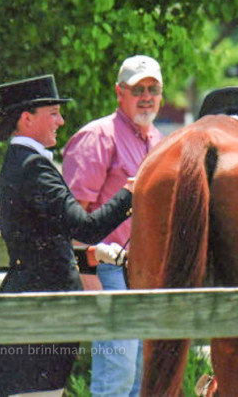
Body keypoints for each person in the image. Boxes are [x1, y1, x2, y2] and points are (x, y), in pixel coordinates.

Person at [0, 74, 135, 397]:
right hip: (38, 317)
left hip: (35, 310)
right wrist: (131, 192)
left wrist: (90, 256)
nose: (61, 120)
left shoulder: (24, 164)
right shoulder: (33, 169)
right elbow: (86, 227)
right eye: (53, 113)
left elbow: (44, 245)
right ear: (27, 119)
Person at [62, 55, 164, 396]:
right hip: (105, 270)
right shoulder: (98, 136)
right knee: (116, 377)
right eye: (138, 90)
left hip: (144, 272)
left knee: (140, 378)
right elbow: (74, 216)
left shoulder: (160, 143)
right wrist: (87, 276)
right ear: (120, 93)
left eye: (153, 89)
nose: (147, 96)